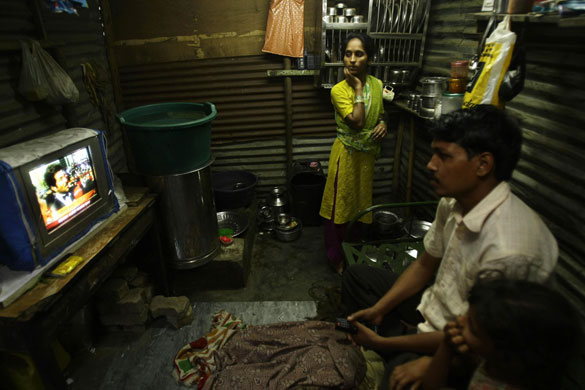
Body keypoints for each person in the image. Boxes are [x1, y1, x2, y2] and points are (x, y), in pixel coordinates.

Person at [340, 105, 558, 390]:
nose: (430, 165)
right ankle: (392, 338)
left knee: (397, 379)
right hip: (436, 315)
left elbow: (474, 340)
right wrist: (380, 308)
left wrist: (388, 344)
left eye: (443, 156)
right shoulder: (453, 202)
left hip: (467, 353)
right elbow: (424, 265)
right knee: (358, 277)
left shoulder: (509, 252)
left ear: (483, 164)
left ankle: (392, 347)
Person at [422, 276, 581, 390]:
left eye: (473, 329)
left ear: (507, 354)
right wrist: (447, 346)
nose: (460, 320)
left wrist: (445, 350)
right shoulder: (494, 363)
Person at [319, 32, 388, 276]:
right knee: (340, 205)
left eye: (359, 54)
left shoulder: (378, 85)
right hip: (347, 154)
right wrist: (357, 87)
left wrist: (383, 124)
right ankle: (336, 257)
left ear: (369, 58)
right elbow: (358, 122)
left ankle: (355, 252)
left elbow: (378, 114)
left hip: (366, 157)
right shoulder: (339, 90)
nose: (352, 59)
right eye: (348, 54)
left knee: (360, 205)